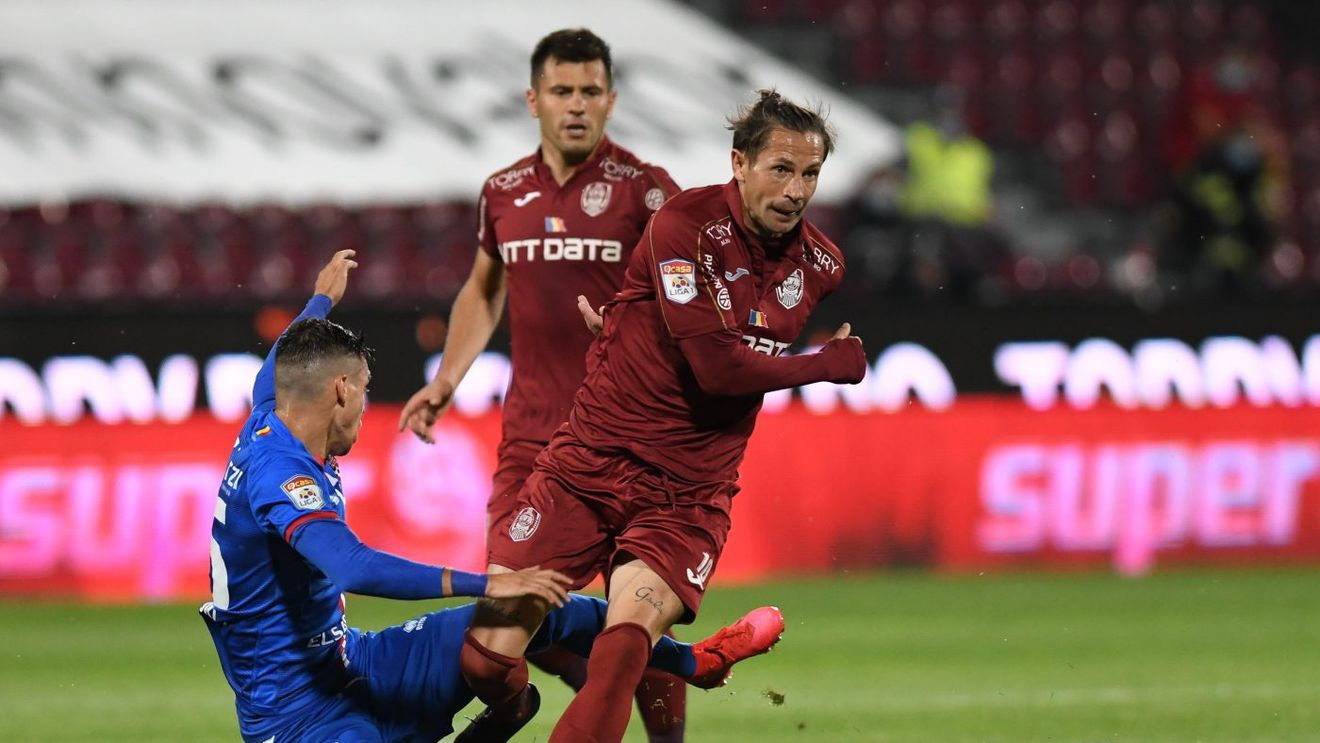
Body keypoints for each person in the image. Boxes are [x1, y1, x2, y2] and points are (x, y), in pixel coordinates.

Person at [202, 250, 785, 743]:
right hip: (298, 717)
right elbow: (351, 566)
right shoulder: (282, 478)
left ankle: (697, 662)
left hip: (355, 661)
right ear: (340, 389)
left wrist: (320, 300)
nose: (363, 408)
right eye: (364, 391)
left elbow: (287, 353)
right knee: (508, 596)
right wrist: (490, 581)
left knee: (540, 611)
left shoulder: (271, 406)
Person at [458, 90, 867, 743]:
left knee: (624, 647)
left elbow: (726, 333)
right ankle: (518, 708)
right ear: (739, 162)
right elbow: (718, 367)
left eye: (811, 174)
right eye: (781, 169)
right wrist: (826, 362)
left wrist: (621, 323)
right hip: (587, 466)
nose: (796, 190)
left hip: (686, 494)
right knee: (483, 658)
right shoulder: (684, 223)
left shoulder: (821, 265)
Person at [397, 27, 690, 741]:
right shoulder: (502, 193)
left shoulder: (648, 192)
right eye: (563, 91)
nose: (578, 105)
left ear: (612, 99)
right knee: (503, 624)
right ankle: (563, 697)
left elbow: (693, 302)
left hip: (633, 446)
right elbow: (482, 289)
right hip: (533, 445)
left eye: (591, 91)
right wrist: (447, 378)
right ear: (534, 99)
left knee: (633, 615)